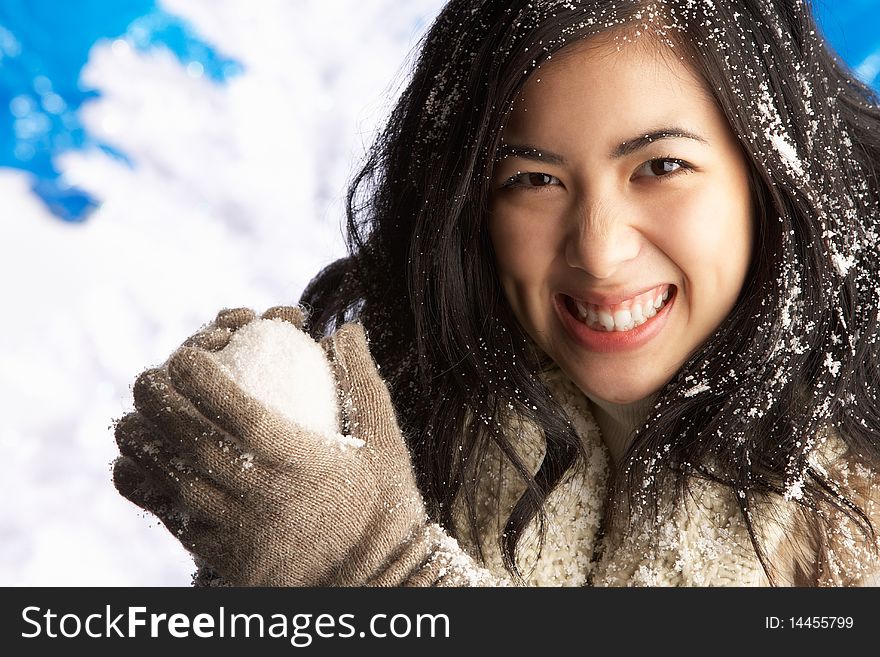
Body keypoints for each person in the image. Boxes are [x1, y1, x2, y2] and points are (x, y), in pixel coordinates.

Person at [113, 0, 880, 586]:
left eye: (661, 166)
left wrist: (368, 569)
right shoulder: (440, 420)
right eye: (534, 180)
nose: (601, 251)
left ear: (772, 172)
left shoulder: (859, 497)